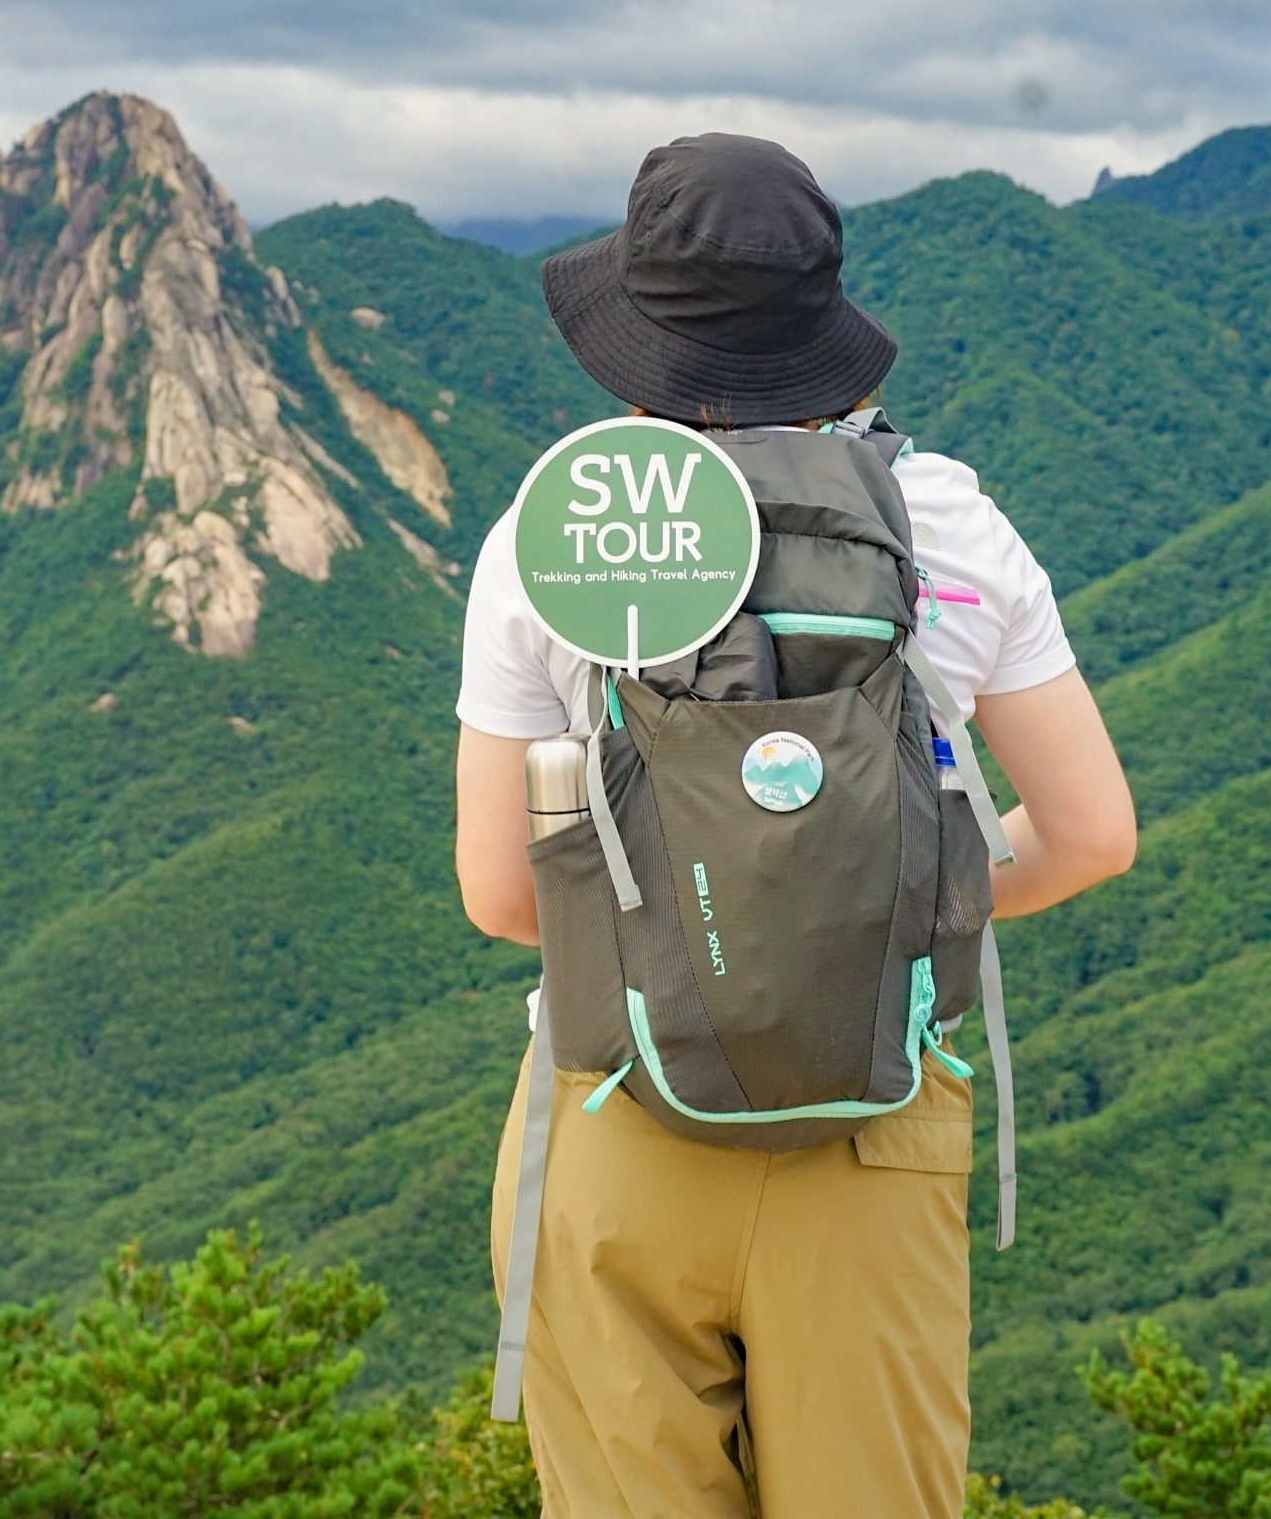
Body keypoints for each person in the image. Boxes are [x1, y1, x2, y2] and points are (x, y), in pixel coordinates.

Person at [453, 132, 1137, 1517]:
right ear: (825, 332)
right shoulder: (945, 526)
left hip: (617, 1104)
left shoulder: (558, 540)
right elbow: (1089, 836)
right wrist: (877, 892)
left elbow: (505, 896)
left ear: (638, 342)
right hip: (870, 1112)